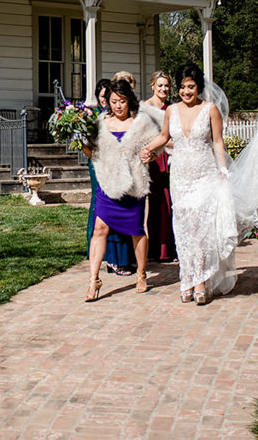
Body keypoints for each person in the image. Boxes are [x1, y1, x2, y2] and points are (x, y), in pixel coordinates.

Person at [142, 63, 237, 305]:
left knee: (201, 229)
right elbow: (164, 138)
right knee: (184, 230)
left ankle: (201, 281)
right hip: (180, 177)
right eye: (183, 87)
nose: (186, 92)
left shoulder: (210, 109)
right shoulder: (171, 111)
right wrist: (146, 148)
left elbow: (217, 142)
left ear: (199, 88)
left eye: (191, 87)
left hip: (205, 175)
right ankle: (187, 279)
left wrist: (223, 169)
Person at [84, 79, 162, 302]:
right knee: (99, 229)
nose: (118, 106)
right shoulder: (99, 122)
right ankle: (93, 280)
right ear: (108, 102)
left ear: (130, 101)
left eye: (123, 101)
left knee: (137, 230)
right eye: (114, 101)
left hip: (133, 185)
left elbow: (156, 145)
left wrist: (152, 154)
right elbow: (93, 154)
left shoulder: (141, 122)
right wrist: (81, 144)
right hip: (107, 184)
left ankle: (141, 273)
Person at [86, 78, 136, 275]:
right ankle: (108, 262)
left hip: (127, 175)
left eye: (119, 100)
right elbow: (92, 150)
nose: (114, 105)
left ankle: (129, 261)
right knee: (104, 220)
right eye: (110, 100)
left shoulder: (133, 121)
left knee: (128, 219)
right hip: (105, 174)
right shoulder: (99, 121)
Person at [142, 70, 177, 263]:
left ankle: (171, 248)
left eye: (166, 86)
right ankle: (156, 249)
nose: (163, 89)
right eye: (160, 85)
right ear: (152, 86)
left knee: (171, 203)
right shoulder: (145, 108)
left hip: (172, 159)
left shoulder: (172, 108)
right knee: (157, 204)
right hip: (155, 158)